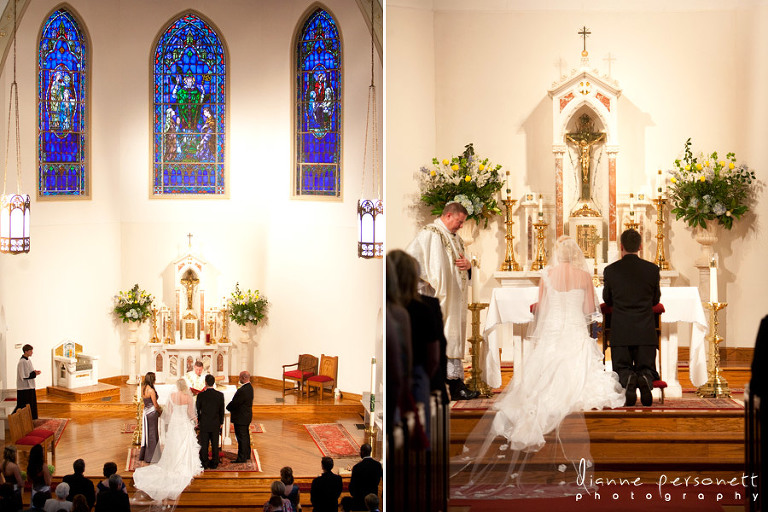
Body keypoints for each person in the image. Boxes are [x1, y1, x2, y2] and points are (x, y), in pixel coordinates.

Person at [451, 236, 624, 499]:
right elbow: (590, 309)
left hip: (552, 334)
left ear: (557, 254)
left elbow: (542, 309)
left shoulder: (547, 275)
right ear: (575, 254)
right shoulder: (583, 276)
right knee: (578, 379)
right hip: (574, 332)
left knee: (538, 378)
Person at [406, 201, 478, 400]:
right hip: (439, 300)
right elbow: (411, 261)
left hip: (454, 301)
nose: (461, 226)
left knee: (452, 340)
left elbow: (463, 267)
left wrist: (468, 266)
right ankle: (452, 387)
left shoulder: (455, 239)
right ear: (448, 215)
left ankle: (455, 386)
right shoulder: (430, 233)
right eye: (459, 221)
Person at [603, 228, 662, 406]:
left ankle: (628, 379)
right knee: (647, 367)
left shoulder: (611, 270)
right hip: (645, 331)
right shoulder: (652, 269)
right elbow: (655, 299)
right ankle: (644, 377)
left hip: (621, 331)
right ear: (640, 246)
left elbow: (608, 299)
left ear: (621, 247)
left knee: (622, 368)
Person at [387, 250, 441, 438]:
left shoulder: (391, 310)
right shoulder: (423, 308)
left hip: (398, 379)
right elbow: (433, 357)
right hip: (416, 377)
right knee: (417, 438)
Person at [133, 378, 203, 502]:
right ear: (185, 386)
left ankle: (172, 463)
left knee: (174, 443)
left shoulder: (172, 395)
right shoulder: (188, 397)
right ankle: (185, 465)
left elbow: (169, 412)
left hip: (175, 422)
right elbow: (191, 413)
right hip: (184, 423)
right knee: (185, 444)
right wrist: (195, 420)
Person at [341, 444, 382, 512]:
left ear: (362, 452)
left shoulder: (357, 467)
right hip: (373, 499)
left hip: (359, 500)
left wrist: (354, 495)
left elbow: (352, 486)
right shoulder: (378, 465)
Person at [196, 374, 224, 469]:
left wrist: (199, 420)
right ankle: (215, 462)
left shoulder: (201, 395)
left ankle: (204, 462)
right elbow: (221, 411)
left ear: (206, 383)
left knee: (204, 443)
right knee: (215, 443)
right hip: (215, 423)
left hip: (204, 423)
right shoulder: (220, 395)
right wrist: (221, 422)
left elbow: (198, 409)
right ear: (214, 383)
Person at [227, 371, 254, 463]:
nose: (239, 379)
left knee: (241, 438)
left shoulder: (242, 390)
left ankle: (241, 458)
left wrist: (227, 407)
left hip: (241, 417)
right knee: (245, 436)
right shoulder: (250, 387)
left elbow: (235, 403)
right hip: (246, 416)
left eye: (239, 377)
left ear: (243, 378)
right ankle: (246, 454)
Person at [139, 372, 161, 462]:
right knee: (153, 433)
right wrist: (160, 411)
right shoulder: (151, 391)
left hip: (146, 412)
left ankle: (146, 455)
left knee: (147, 433)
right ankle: (153, 456)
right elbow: (155, 404)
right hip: (152, 413)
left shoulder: (143, 389)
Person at [15, 344, 41, 419]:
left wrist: (34, 372)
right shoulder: (22, 362)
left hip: (30, 386)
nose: (32, 352)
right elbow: (23, 376)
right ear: (26, 351)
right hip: (24, 388)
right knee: (25, 405)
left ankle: (32, 419)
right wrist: (34, 374)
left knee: (32, 404)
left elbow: (29, 371)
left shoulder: (28, 360)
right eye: (30, 351)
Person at [1, 447, 23, 511]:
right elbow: (20, 483)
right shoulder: (14, 466)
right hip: (14, 491)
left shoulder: (2, 464)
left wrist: (2, 483)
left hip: (6, 490)